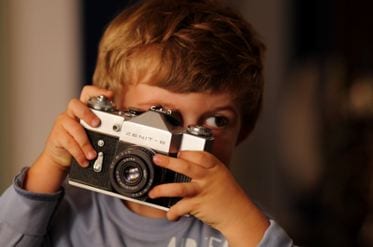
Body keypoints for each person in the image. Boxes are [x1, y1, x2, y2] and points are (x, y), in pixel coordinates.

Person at [0, 0, 294, 246]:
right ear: (112, 114)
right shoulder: (70, 210)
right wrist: (48, 169)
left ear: (244, 130)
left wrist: (240, 221)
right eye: (161, 115)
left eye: (216, 121)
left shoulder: (242, 228)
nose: (184, 146)